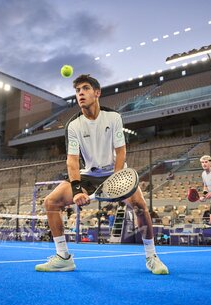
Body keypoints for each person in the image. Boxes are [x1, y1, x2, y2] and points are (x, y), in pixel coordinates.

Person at [35, 74, 168, 274]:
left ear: (97, 93)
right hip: (88, 175)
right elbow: (72, 160)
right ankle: (63, 257)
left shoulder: (113, 117)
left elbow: (121, 151)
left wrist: (116, 180)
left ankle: (152, 257)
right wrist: (77, 189)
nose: (80, 93)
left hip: (115, 172)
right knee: (51, 202)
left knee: (140, 206)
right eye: (77, 90)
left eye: (85, 88)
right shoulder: (73, 125)